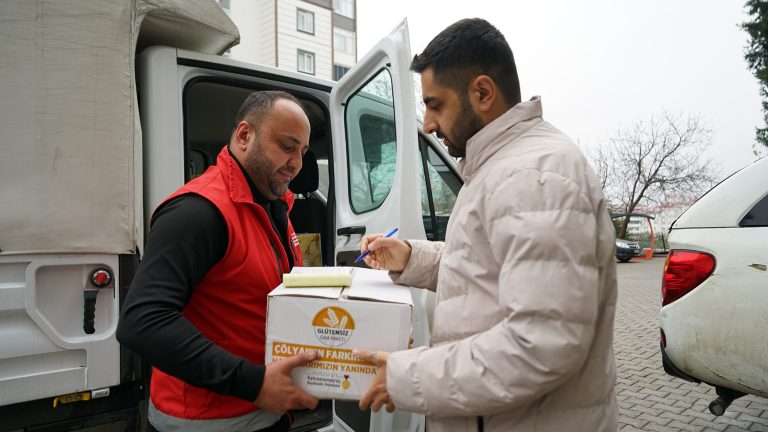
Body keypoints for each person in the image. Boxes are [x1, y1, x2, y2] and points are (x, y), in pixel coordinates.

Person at [354, 18, 618, 431]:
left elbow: (541, 344)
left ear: (482, 93)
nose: (427, 124)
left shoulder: (534, 176)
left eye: (435, 104)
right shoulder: (502, 168)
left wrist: (408, 376)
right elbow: (487, 268)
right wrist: (411, 257)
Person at [117, 91, 318, 432]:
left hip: (263, 414)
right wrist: (253, 383)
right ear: (244, 136)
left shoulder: (274, 205)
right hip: (207, 422)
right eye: (287, 146)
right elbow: (142, 322)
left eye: (302, 152)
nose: (296, 162)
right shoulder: (198, 211)